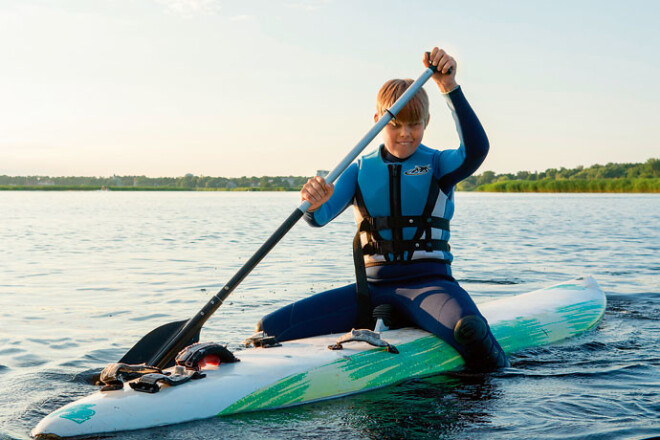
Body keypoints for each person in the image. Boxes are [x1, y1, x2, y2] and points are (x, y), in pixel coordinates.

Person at [256, 47, 508, 372]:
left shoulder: (438, 164)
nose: (405, 133)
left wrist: (449, 86)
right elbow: (320, 216)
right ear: (377, 122)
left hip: (430, 286)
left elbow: (476, 151)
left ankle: (488, 391)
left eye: (414, 124)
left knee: (469, 329)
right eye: (396, 124)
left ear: (427, 122)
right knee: (268, 329)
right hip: (369, 292)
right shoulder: (359, 169)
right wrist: (314, 202)